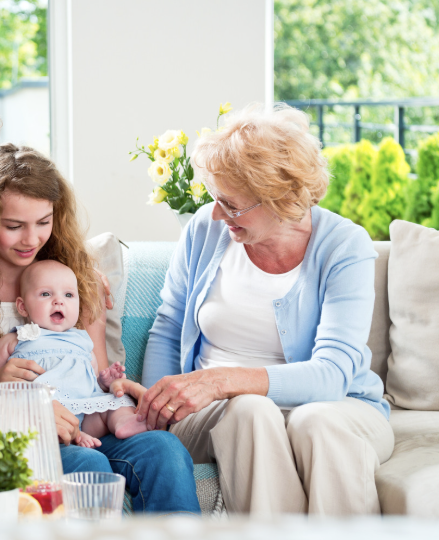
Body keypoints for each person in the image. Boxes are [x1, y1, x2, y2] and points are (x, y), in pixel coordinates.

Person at [137, 103, 394, 517]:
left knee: (319, 424)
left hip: (338, 406)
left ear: (281, 198)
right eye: (216, 199)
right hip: (213, 413)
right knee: (250, 410)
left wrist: (223, 380)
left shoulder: (344, 245)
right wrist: (157, 407)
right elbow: (168, 326)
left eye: (232, 204)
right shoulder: (206, 229)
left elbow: (332, 375)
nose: (218, 214)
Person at [0, 143, 200, 514]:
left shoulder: (76, 283)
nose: (31, 239)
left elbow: (95, 369)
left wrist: (115, 387)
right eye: (14, 226)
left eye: (44, 222)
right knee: (87, 466)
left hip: (88, 419)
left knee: (166, 450)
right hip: (16, 433)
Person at [0, 259, 147, 447]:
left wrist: (105, 381)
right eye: (45, 294)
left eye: (68, 295)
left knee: (117, 401)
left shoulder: (83, 341)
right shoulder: (19, 338)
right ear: (23, 306)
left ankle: (122, 423)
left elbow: (92, 382)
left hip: (84, 410)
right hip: (43, 412)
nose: (59, 301)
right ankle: (75, 436)